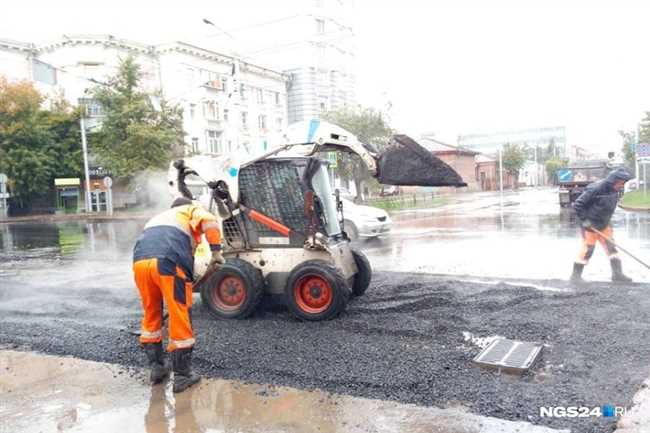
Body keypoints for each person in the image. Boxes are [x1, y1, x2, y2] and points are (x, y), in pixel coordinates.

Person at [133, 196, 224, 393]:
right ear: (188, 206)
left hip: (140, 263)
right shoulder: (190, 211)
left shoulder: (159, 217)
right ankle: (183, 376)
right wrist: (216, 252)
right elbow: (209, 221)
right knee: (179, 313)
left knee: (151, 312)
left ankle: (157, 368)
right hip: (169, 262)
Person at [570, 168, 633, 284]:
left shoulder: (614, 190)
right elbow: (578, 204)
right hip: (590, 225)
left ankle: (617, 275)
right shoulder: (596, 188)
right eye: (621, 182)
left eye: (624, 182)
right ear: (613, 180)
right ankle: (575, 276)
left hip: (604, 224)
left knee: (611, 248)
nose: (622, 185)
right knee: (588, 249)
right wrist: (585, 220)